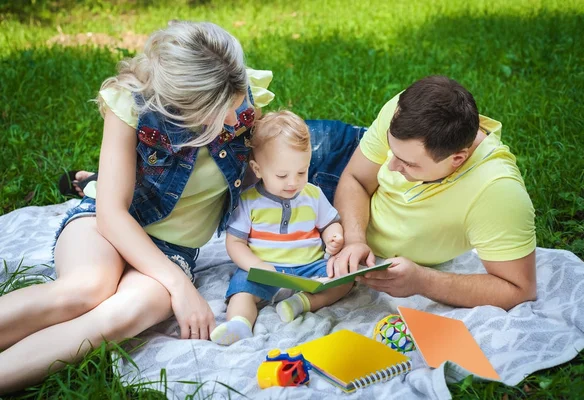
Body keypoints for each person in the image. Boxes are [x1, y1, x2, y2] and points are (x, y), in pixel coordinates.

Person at [0, 21, 276, 394]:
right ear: (180, 104)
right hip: (108, 226)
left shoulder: (241, 93)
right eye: (215, 110)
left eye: (236, 98)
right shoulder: (132, 103)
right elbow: (111, 213)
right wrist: (180, 286)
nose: (232, 119)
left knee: (119, 316)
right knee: (85, 289)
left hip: (173, 248)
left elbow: (277, 170)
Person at [328, 76, 537, 311]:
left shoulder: (498, 193)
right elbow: (356, 178)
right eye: (392, 150)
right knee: (282, 139)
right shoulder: (404, 112)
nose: (391, 167)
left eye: (408, 163)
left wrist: (422, 281)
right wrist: (354, 240)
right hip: (343, 160)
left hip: (332, 209)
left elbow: (519, 289)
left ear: (457, 159)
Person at [210, 111, 348, 346]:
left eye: (302, 172)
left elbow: (329, 223)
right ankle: (240, 323)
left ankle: (301, 303)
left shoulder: (312, 194)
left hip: (308, 267)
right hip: (266, 268)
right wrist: (257, 266)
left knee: (343, 279)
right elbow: (235, 243)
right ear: (257, 169)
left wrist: (334, 235)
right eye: (282, 175)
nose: (293, 182)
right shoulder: (249, 201)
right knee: (242, 289)